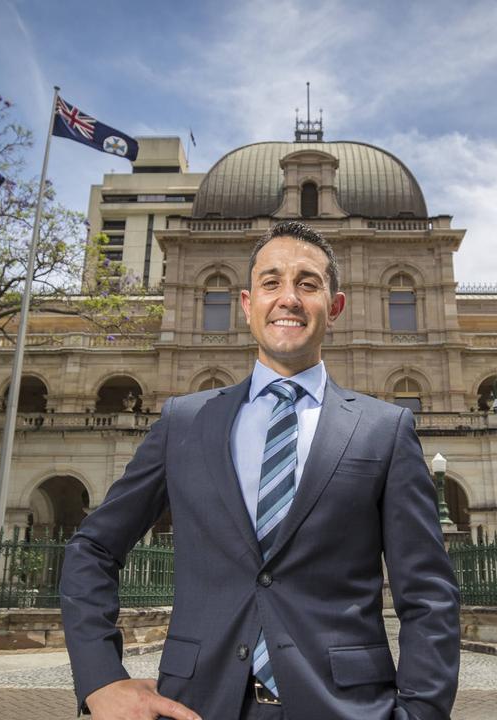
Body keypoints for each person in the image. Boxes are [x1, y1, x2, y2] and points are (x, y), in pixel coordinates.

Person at [61, 220, 460, 719]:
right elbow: (92, 549)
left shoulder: (385, 428)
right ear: (247, 305)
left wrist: (420, 714)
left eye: (308, 283)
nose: (288, 298)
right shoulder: (185, 421)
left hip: (345, 708)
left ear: (334, 308)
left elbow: (428, 595)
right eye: (271, 283)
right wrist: (101, 679)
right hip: (199, 706)